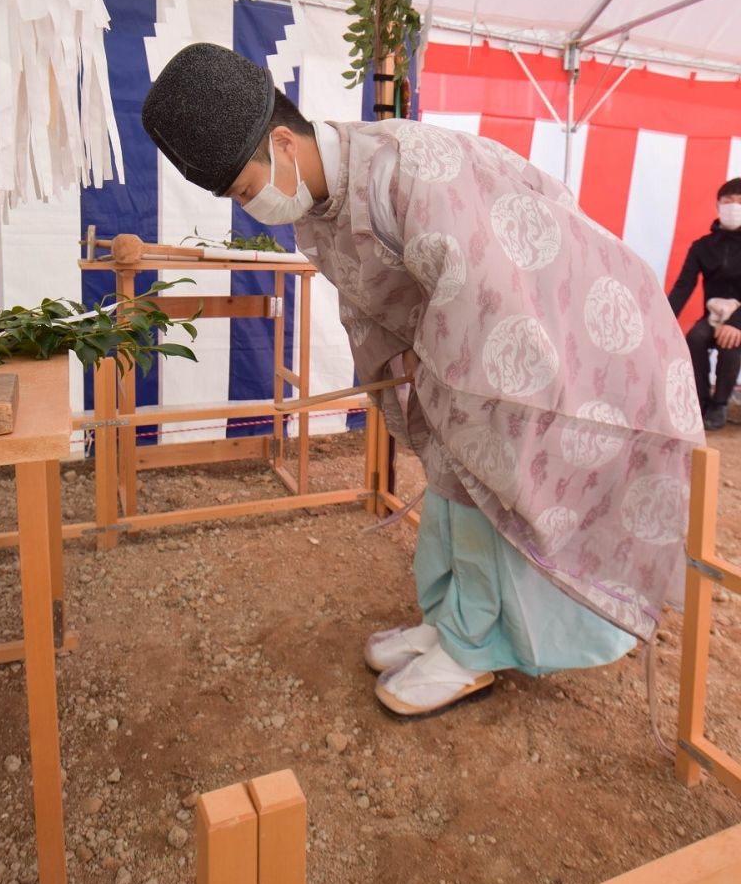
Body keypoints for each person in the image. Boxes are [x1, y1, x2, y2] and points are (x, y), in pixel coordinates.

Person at [142, 43, 702, 718]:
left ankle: (479, 647)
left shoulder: (412, 170)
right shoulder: (324, 197)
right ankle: (455, 621)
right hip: (474, 350)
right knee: (453, 467)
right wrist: (408, 375)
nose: (249, 203)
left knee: (494, 473)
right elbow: (376, 303)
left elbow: (487, 300)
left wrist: (436, 374)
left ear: (283, 143)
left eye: (242, 187)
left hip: (575, 335)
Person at [668, 178, 741, 431]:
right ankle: (700, 401)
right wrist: (664, 318)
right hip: (712, 317)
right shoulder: (702, 246)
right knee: (696, 338)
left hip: (739, 320)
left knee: (731, 343)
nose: (734, 206)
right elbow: (683, 286)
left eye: (740, 202)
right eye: (729, 201)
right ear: (718, 206)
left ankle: (720, 404)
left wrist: (735, 323)